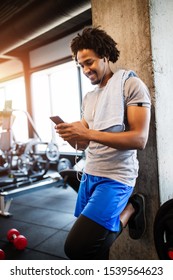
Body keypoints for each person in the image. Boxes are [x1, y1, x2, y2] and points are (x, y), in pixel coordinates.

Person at [55, 27, 151, 260]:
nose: (86, 70)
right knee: (96, 250)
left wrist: (88, 134)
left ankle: (133, 207)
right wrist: (71, 136)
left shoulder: (130, 84)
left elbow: (139, 139)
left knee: (77, 248)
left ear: (105, 56)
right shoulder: (89, 98)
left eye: (89, 62)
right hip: (90, 175)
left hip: (116, 178)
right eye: (81, 66)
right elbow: (85, 145)